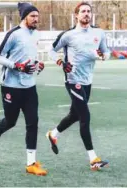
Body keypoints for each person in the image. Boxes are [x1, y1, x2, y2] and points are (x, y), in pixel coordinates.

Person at [0, 2, 46, 176]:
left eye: (37, 16)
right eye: (33, 16)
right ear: (24, 17)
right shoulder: (14, 34)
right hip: (11, 85)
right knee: (10, 121)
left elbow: (30, 58)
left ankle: (31, 163)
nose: (36, 19)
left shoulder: (36, 34)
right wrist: (16, 66)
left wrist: (37, 65)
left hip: (29, 86)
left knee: (33, 122)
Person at [46, 2, 110, 171]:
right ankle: (93, 159)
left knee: (74, 115)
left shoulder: (99, 33)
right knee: (85, 116)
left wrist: (104, 56)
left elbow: (107, 52)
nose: (86, 14)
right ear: (76, 15)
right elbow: (51, 51)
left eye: (89, 11)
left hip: (88, 80)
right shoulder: (68, 35)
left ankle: (53, 134)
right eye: (83, 11)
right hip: (73, 80)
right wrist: (61, 62)